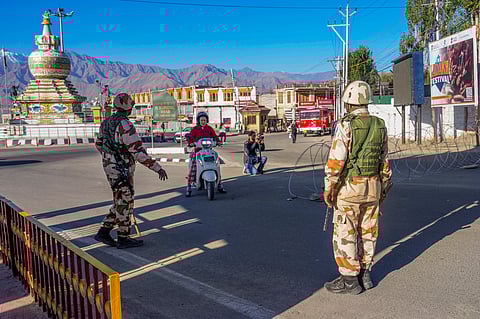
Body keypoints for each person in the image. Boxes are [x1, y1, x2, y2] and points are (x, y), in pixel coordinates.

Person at [323, 80, 393, 294]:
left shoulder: (346, 125)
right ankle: (366, 274)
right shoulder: (380, 124)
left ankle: (350, 280)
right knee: (368, 233)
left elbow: (336, 161)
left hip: (350, 188)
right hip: (373, 187)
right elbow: (385, 162)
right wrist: (384, 188)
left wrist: (329, 187)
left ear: (349, 103)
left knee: (346, 232)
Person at [94, 93, 168, 249]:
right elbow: (138, 152)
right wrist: (157, 168)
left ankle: (104, 231)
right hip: (121, 168)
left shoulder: (106, 123)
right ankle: (123, 237)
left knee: (121, 200)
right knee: (125, 201)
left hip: (110, 166)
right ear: (128, 108)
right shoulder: (125, 125)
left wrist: (110, 158)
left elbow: (99, 144)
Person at [185, 112, 227, 197]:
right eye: (201, 120)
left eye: (204, 120)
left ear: (206, 120)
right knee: (193, 164)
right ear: (198, 121)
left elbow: (214, 136)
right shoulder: (195, 129)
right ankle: (189, 186)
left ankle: (219, 184)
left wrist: (218, 142)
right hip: (198, 150)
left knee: (216, 164)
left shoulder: (209, 128)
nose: (203, 121)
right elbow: (190, 137)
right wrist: (190, 142)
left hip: (208, 150)